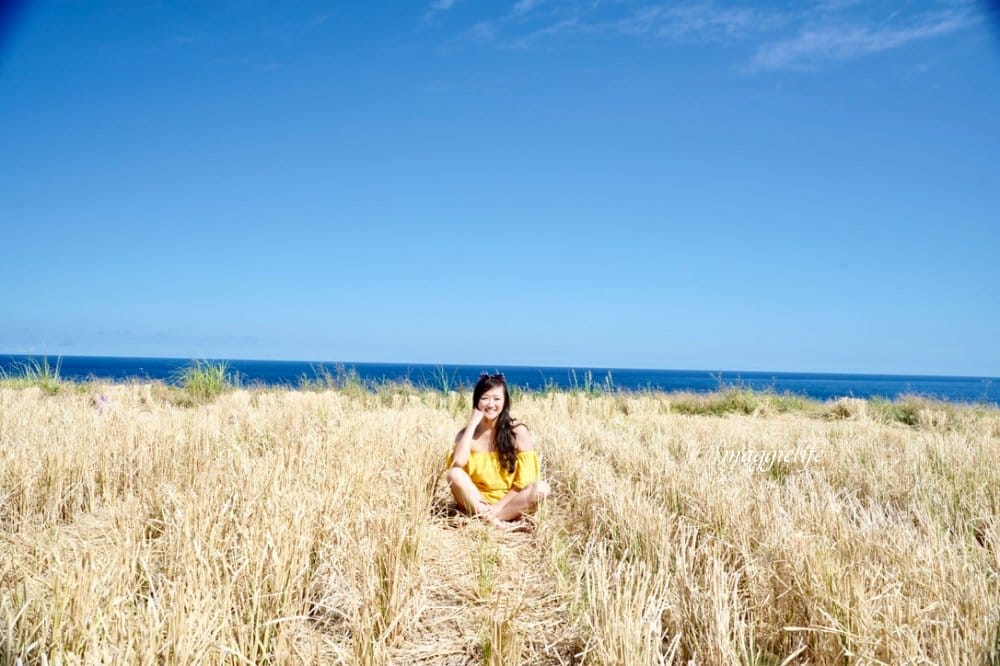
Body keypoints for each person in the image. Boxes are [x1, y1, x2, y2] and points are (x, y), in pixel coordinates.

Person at [446, 372, 550, 525]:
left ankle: (489, 520)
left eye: (496, 399)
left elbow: (524, 481)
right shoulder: (466, 434)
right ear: (476, 402)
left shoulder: (517, 431)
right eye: (485, 398)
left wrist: (497, 507)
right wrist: (473, 424)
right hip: (476, 501)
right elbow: (458, 464)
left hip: (509, 502)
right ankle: (497, 523)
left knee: (542, 488)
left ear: (505, 402)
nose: (490, 404)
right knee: (454, 473)